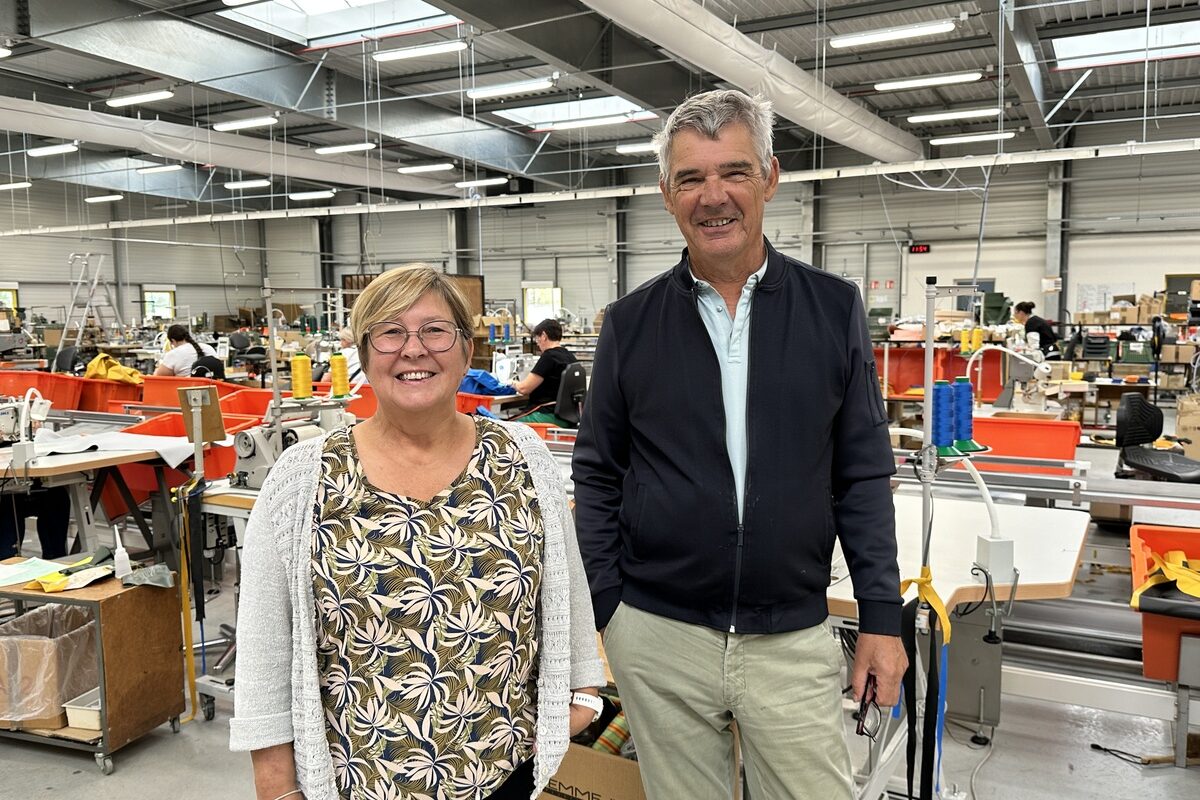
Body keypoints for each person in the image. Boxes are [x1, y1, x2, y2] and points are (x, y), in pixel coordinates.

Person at [572, 89, 907, 799]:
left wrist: (881, 616)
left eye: (734, 172)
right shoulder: (631, 324)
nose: (712, 196)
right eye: (691, 178)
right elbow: (598, 471)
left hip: (789, 637)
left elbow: (863, 474)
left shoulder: (831, 307)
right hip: (659, 637)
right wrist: (612, 609)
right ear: (666, 194)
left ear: (770, 178)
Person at [231, 264, 605, 800]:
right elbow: (266, 649)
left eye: (434, 329)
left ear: (464, 347)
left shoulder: (524, 458)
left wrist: (583, 692)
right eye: (389, 331)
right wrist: (278, 787)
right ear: (363, 353)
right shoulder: (305, 477)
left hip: (504, 772)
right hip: (357, 782)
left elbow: (567, 589)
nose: (413, 349)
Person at [511, 319, 578, 426]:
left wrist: (513, 383)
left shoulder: (549, 356)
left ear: (544, 335)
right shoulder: (570, 356)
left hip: (548, 414)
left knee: (506, 426)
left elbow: (524, 388)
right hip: (569, 416)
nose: (537, 344)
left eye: (537, 339)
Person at [0, 485, 70, 560]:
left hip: (43, 488)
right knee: (7, 556)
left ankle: (55, 558)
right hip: (7, 493)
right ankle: (7, 561)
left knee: (58, 497)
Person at [155, 324, 221, 377]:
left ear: (173, 341)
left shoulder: (174, 354)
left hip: (188, 391)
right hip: (214, 390)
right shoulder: (208, 347)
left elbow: (160, 377)